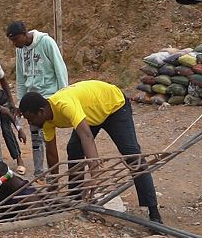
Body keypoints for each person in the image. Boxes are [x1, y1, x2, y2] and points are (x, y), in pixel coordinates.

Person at [18, 80, 163, 223]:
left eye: (31, 119)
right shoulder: (47, 121)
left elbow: (86, 135)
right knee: (74, 149)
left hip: (113, 105)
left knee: (132, 153)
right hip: (91, 113)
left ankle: (153, 211)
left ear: (41, 112)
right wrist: (54, 186)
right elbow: (51, 153)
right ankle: (75, 198)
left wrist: (94, 176)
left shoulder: (64, 105)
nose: (30, 123)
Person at [6, 21, 68, 177]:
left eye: (15, 40)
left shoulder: (46, 42)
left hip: (48, 97)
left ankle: (52, 174)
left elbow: (59, 68)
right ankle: (39, 174)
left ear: (24, 34)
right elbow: (20, 76)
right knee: (35, 139)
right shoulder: (20, 50)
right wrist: (21, 102)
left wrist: (64, 94)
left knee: (48, 138)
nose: (14, 44)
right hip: (31, 98)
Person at [0, 88, 27, 175]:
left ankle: (19, 158)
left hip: (0, 102)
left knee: (7, 130)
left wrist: (19, 129)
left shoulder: (2, 104)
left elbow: (9, 114)